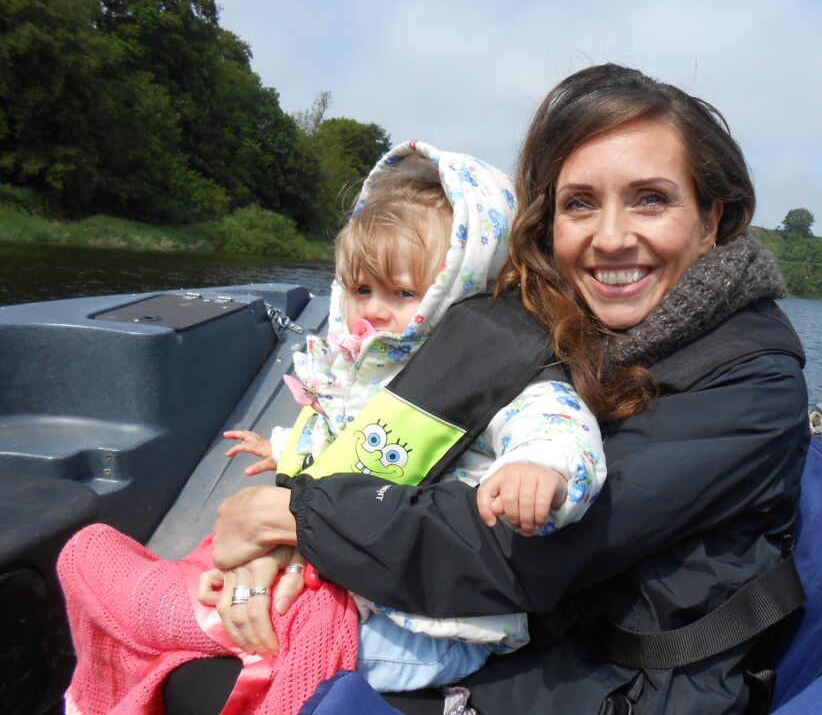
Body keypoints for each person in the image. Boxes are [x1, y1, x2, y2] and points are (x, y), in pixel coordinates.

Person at [182, 63, 810, 714]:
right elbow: (399, 449)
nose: (613, 237)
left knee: (210, 682)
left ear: (711, 221)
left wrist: (295, 518)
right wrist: (281, 548)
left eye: (651, 199)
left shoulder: (751, 384)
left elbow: (521, 550)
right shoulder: (573, 326)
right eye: (581, 203)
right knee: (212, 640)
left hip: (618, 686)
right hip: (521, 631)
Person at [56, 141, 606, 713]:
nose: (372, 310)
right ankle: (177, 617)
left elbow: (559, 424)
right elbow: (342, 446)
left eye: (403, 293)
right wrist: (286, 449)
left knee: (295, 615)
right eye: (362, 289)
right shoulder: (357, 368)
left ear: (461, 287)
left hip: (428, 626)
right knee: (88, 550)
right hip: (345, 578)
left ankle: (176, 619)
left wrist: (542, 468)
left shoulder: (502, 369)